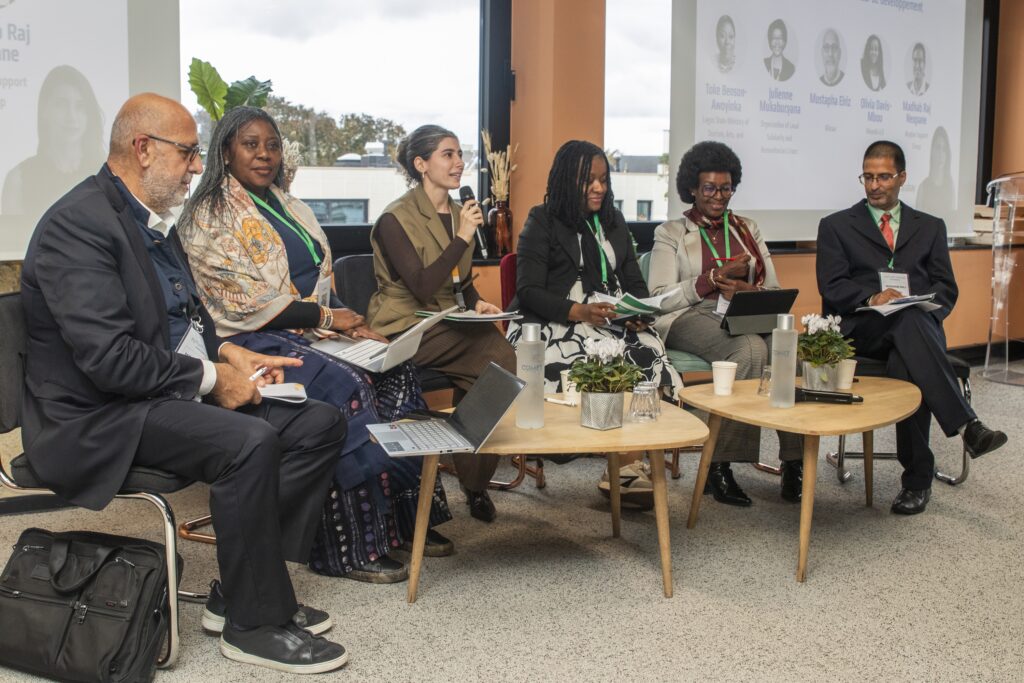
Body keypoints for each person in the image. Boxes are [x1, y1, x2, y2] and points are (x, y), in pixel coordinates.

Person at [19, 93, 349, 673]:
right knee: (247, 443)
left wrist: (229, 353)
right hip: (99, 416)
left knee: (319, 423)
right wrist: (211, 379)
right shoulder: (77, 227)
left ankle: (240, 589)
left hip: (158, 391)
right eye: (189, 153)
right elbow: (110, 361)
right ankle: (254, 625)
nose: (199, 166)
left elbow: (188, 319)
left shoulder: (151, 221)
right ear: (142, 150)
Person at [178, 106, 454, 585]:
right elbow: (244, 303)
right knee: (346, 386)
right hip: (246, 340)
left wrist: (355, 324)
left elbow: (318, 283)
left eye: (273, 144)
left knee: (397, 371)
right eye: (251, 144)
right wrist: (331, 318)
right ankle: (349, 545)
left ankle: (406, 519)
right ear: (226, 151)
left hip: (308, 328)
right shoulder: (208, 216)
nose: (264, 154)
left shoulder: (288, 204)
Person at [816, 140, 1007, 516]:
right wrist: (873, 297)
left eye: (884, 176)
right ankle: (966, 427)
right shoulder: (837, 226)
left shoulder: (930, 227)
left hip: (914, 329)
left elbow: (946, 289)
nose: (874, 185)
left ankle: (917, 482)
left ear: (902, 177)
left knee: (909, 344)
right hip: (862, 330)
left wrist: (916, 302)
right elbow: (832, 286)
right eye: (868, 177)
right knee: (908, 324)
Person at [508, 140, 682, 505]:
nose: (599, 188)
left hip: (611, 316)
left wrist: (638, 312)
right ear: (567, 181)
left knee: (649, 350)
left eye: (603, 179)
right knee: (592, 360)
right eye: (589, 180)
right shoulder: (542, 220)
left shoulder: (613, 221)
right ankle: (606, 458)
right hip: (554, 320)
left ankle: (628, 466)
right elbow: (528, 291)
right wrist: (579, 312)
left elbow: (634, 283)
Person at [367, 124, 516, 523]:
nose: (459, 162)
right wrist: (463, 236)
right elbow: (421, 285)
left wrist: (479, 303)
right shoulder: (394, 219)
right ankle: (468, 478)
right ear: (421, 164)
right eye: (447, 154)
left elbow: (459, 283)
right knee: (493, 354)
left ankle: (474, 480)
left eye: (459, 154)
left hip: (448, 322)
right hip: (404, 325)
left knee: (498, 366)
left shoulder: (456, 213)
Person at [647, 141, 803, 506]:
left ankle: (795, 462)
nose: (719, 196)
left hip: (742, 310)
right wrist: (712, 278)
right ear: (691, 188)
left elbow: (774, 288)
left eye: (726, 188)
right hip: (688, 316)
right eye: (709, 188)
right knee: (750, 349)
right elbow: (658, 296)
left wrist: (749, 289)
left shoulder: (748, 229)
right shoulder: (670, 233)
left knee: (787, 350)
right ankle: (718, 466)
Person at [2, 65, 106, 217]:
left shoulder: (107, 175)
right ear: (45, 110)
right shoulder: (18, 180)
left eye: (80, 107)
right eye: (62, 105)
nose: (72, 117)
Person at [915, 126, 954, 217]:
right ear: (932, 152)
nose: (941, 154)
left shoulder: (950, 185)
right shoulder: (923, 187)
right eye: (938, 148)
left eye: (944, 149)